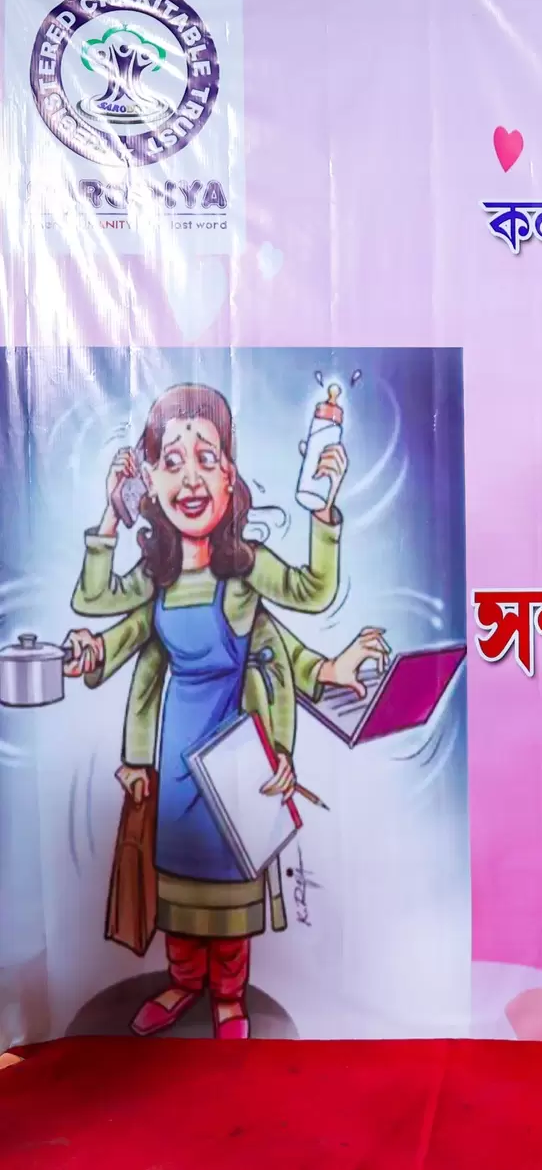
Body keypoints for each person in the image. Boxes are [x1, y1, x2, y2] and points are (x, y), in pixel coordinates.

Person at [60, 384, 386, 1040]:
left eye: (206, 458)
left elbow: (310, 596)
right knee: (177, 892)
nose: (190, 477)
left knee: (231, 892)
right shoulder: (154, 577)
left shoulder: (244, 570)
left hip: (238, 761)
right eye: (172, 461)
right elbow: (100, 610)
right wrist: (109, 519)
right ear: (150, 481)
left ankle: (230, 997)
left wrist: (323, 510)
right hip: (172, 765)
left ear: (230, 474)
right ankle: (184, 982)